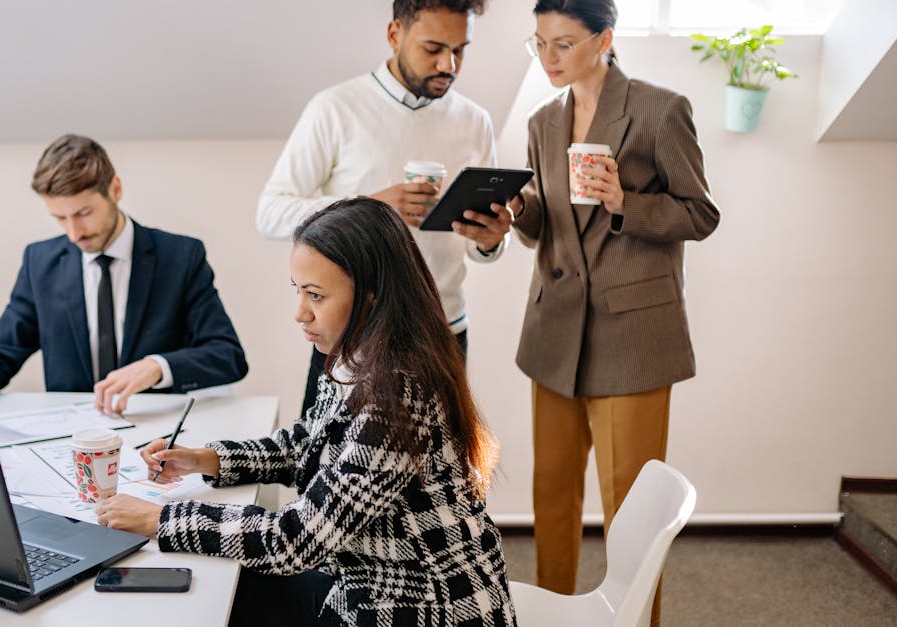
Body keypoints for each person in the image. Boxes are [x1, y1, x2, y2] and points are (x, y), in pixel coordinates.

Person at [98, 198, 516, 626]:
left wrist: (161, 519)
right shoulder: (354, 356)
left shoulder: (396, 395)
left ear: (372, 298)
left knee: (216, 595)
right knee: (221, 587)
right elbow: (308, 442)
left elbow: (292, 541)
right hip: (366, 577)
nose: (299, 312)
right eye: (298, 290)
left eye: (315, 295)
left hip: (426, 606)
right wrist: (208, 459)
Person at [508, 1, 720, 624]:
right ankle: (552, 615)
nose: (548, 58)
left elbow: (700, 215)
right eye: (539, 44)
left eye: (564, 44)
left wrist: (627, 201)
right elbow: (546, 222)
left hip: (634, 339)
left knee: (632, 514)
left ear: (604, 39)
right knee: (551, 496)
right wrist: (516, 213)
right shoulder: (543, 121)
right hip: (553, 334)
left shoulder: (660, 109)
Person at [257, 0, 516, 416]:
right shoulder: (335, 108)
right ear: (395, 34)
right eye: (433, 49)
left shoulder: (475, 121)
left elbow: (475, 247)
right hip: (351, 335)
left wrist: (489, 242)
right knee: (325, 470)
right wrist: (366, 205)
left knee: (439, 477)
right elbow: (270, 212)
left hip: (443, 333)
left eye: (460, 50)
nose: (448, 64)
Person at [0, 134, 248, 415]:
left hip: (154, 434)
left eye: (84, 213)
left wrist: (157, 367)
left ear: (116, 189)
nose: (74, 233)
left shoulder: (181, 257)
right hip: (70, 436)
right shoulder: (39, 261)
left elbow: (227, 355)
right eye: (60, 218)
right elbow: (4, 351)